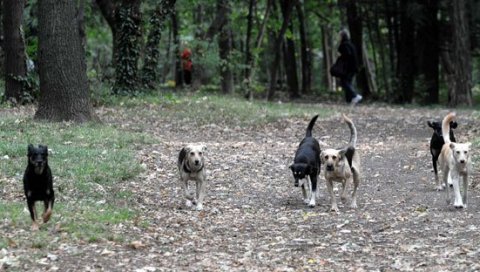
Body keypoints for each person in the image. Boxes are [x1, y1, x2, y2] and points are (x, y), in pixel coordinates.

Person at [337, 29, 362, 105]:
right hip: (353, 67)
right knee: (348, 82)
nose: (339, 37)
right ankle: (349, 100)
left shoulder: (344, 45)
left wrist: (340, 56)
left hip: (348, 67)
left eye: (339, 35)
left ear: (342, 36)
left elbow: (347, 55)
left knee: (344, 82)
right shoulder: (350, 44)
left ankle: (355, 96)